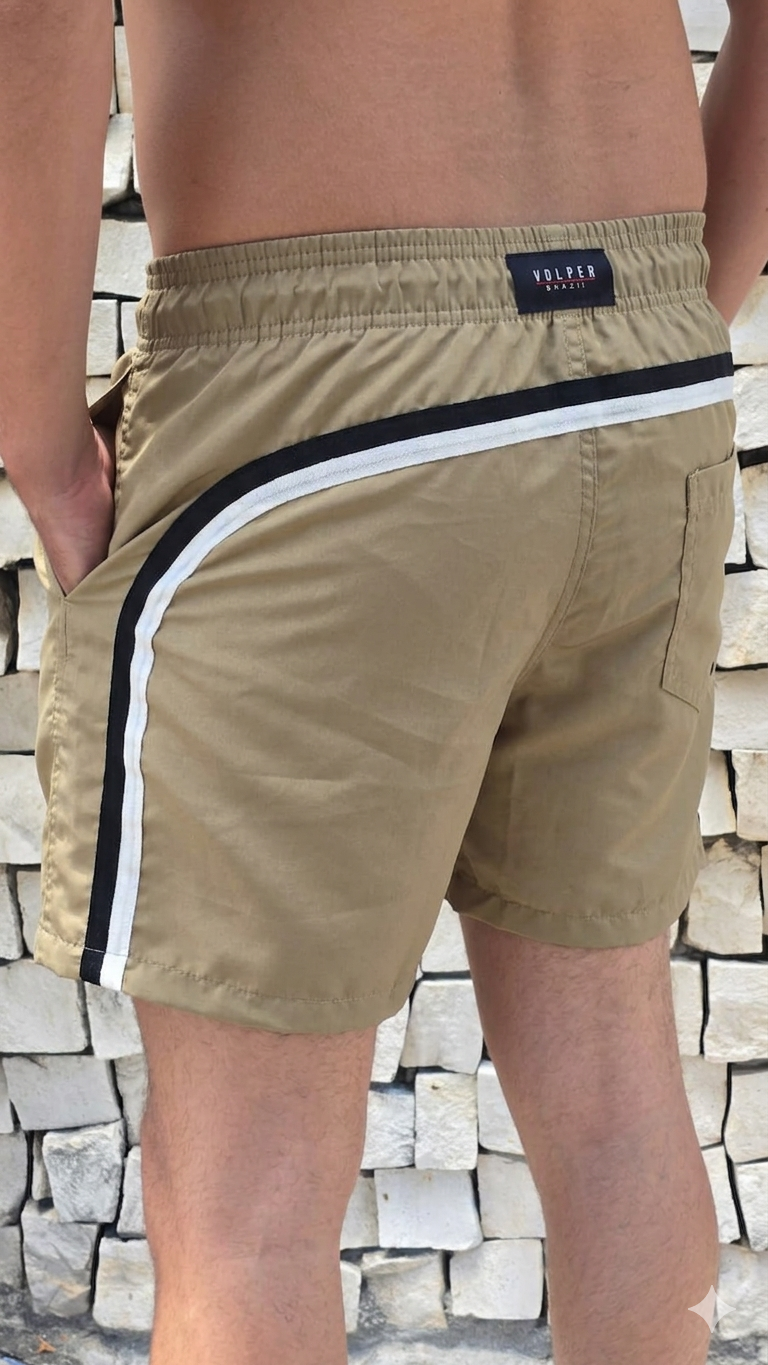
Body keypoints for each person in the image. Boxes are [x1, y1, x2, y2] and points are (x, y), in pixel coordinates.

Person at [1, 0, 767, 1361]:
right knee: (613, 1095)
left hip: (320, 386)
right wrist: (678, 314)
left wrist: (39, 444)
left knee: (243, 1197)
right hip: (644, 349)